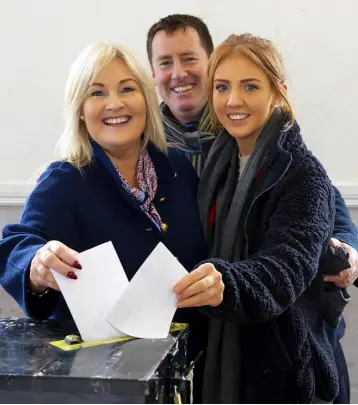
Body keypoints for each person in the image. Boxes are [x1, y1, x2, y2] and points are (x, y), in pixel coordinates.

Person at [147, 14, 358, 403]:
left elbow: (293, 255)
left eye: (249, 86)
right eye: (224, 88)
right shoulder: (203, 155)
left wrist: (347, 246)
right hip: (215, 345)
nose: (233, 100)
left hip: (284, 358)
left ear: (278, 92)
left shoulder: (298, 170)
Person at [0, 41, 207, 402]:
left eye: (127, 89)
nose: (114, 104)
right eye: (97, 93)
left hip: (184, 371)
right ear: (80, 110)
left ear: (146, 99)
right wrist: (36, 262)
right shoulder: (65, 179)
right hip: (105, 383)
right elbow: (17, 244)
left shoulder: (179, 169)